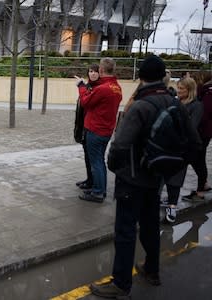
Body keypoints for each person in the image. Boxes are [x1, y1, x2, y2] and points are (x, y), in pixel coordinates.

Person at [91, 55, 201, 298]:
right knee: (150, 225)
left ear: (141, 76)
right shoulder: (174, 103)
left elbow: (120, 145)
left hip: (132, 178)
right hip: (156, 177)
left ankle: (121, 283)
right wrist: (170, 165)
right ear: (163, 77)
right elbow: (194, 143)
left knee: (125, 230)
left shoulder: (141, 105)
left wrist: (115, 167)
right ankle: (152, 270)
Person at [76, 58, 122, 203]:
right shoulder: (116, 87)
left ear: (101, 70)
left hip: (96, 130)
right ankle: (98, 188)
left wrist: (81, 87)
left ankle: (98, 192)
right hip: (106, 130)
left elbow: (85, 102)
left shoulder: (102, 89)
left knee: (96, 162)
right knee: (99, 161)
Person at [160, 77, 202, 223]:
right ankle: (164, 200)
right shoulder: (175, 101)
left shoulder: (196, 106)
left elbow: (192, 127)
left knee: (175, 179)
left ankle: (172, 206)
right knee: (163, 176)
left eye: (182, 89)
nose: (179, 91)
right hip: (167, 146)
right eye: (178, 88)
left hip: (182, 149)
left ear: (190, 90)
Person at [183, 71, 212, 201]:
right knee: (199, 159)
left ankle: (200, 190)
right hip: (204, 132)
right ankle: (203, 185)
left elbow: (203, 115)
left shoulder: (207, 93)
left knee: (197, 160)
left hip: (202, 132)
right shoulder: (205, 92)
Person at [73, 64, 100, 190]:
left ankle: (95, 184)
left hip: (92, 127)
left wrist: (81, 86)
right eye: (90, 71)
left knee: (93, 158)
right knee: (87, 156)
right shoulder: (88, 86)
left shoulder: (98, 88)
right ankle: (90, 179)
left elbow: (87, 103)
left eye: (96, 71)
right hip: (84, 126)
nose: (93, 74)